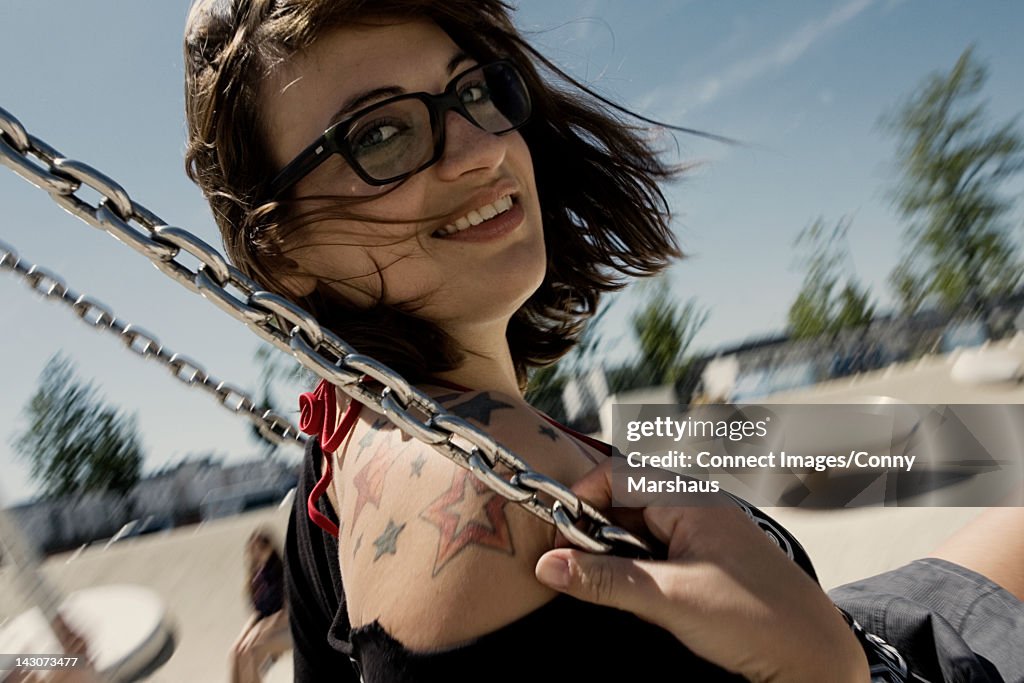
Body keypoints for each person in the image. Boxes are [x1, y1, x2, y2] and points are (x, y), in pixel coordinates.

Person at [181, 1, 1024, 681]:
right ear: (280, 250)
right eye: (379, 135)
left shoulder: (337, 451)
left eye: (474, 90)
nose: (481, 149)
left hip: (885, 612)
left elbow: (816, 453)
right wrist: (836, 670)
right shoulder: (485, 479)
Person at [229, 528, 291, 683]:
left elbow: (287, 611)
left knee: (253, 651)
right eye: (253, 549)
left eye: (261, 548)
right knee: (236, 652)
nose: (257, 553)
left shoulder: (281, 572)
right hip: (266, 628)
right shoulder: (256, 578)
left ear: (270, 547)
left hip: (286, 627)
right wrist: (245, 634)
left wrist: (261, 629)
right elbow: (256, 613)